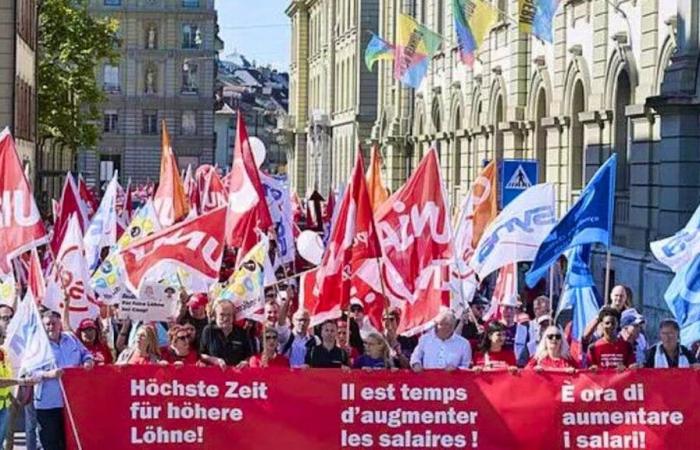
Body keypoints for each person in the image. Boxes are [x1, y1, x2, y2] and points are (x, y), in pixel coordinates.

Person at [32, 311, 94, 450]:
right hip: (48, 404)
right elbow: (29, 373)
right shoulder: (37, 345)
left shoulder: (71, 338)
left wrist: (88, 361)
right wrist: (48, 374)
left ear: (60, 324)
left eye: (54, 323)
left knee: (71, 442)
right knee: (51, 444)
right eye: (47, 324)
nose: (51, 327)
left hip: (72, 402)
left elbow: (86, 353)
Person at [0, 327, 38, 447]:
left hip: (4, 405)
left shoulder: (3, 353)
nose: (4, 339)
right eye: (2, 336)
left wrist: (12, 397)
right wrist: (21, 381)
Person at [199, 300, 252, 368]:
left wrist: (245, 362)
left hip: (236, 375)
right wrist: (214, 360)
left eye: (229, 315)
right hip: (214, 374)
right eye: (222, 314)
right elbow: (201, 354)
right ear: (215, 316)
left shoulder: (242, 333)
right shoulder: (208, 330)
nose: (226, 318)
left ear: (233, 316)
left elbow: (249, 356)